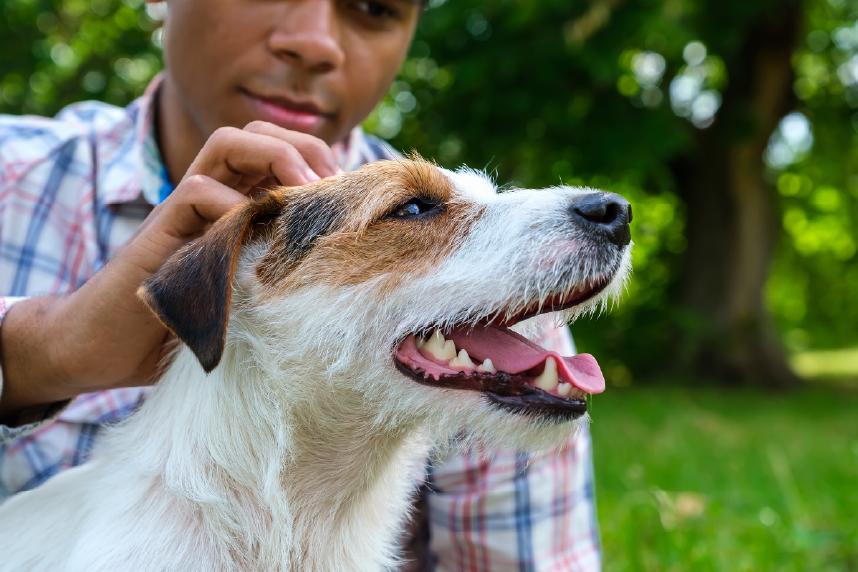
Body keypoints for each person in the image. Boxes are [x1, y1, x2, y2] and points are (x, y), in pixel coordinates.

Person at [0, 1, 601, 569]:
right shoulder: (14, 173)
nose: (313, 43)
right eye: (416, 211)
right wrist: (42, 349)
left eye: (373, 6)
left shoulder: (500, 308)